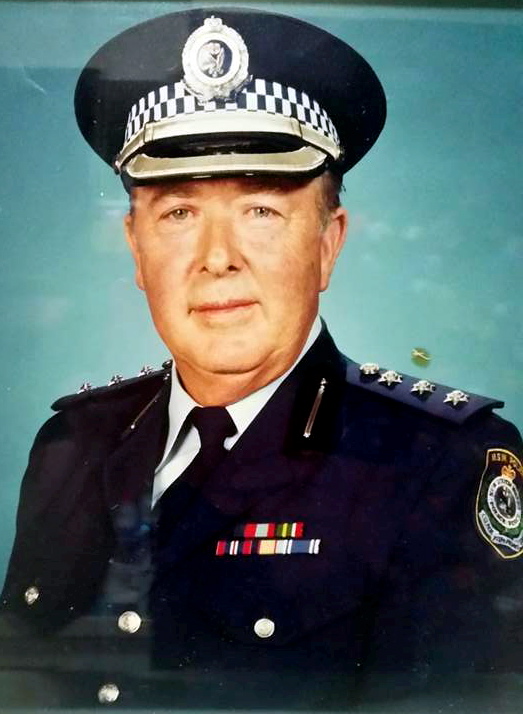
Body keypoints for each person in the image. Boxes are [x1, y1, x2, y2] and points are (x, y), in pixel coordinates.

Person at [1, 6, 522, 711]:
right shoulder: (73, 444)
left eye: (261, 211)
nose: (217, 259)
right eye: (179, 213)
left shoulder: (439, 464)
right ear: (135, 247)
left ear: (328, 244)